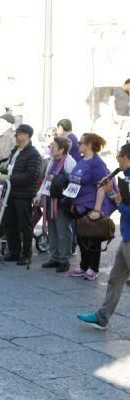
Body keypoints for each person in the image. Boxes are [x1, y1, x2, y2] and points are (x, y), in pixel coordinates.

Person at [78, 143, 130, 328]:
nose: (117, 161)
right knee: (115, 279)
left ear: (126, 157)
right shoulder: (126, 178)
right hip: (126, 237)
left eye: (119, 158)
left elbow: (126, 208)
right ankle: (102, 317)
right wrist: (111, 193)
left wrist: (118, 201)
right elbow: (122, 204)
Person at [66, 133, 116, 280]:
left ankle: (93, 268)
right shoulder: (82, 159)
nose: (78, 145)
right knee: (81, 237)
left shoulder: (97, 163)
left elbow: (101, 186)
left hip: (91, 205)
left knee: (92, 238)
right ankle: (83, 266)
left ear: (88, 145)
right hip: (79, 204)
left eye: (81, 143)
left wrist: (97, 210)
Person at [0, 123, 43, 265]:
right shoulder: (16, 150)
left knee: (25, 225)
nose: (16, 136)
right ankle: (14, 251)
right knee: (10, 223)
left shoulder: (34, 154)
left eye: (18, 133)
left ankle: (27, 254)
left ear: (26, 135)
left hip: (23, 195)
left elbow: (31, 176)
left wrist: (9, 178)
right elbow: (11, 169)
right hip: (10, 193)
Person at [38, 135, 76, 272]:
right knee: (52, 229)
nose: (50, 148)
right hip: (49, 199)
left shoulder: (69, 162)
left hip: (61, 202)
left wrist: (68, 200)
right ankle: (54, 256)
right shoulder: (52, 161)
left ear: (62, 149)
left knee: (63, 230)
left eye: (53, 146)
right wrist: (40, 194)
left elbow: (74, 183)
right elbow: (46, 180)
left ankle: (64, 260)